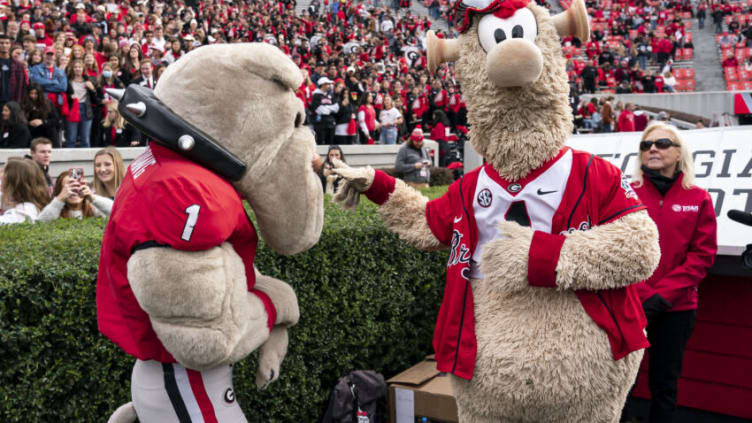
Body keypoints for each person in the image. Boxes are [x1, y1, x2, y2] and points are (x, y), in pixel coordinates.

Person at [627, 122, 717, 423]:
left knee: (664, 385)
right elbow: (616, 249)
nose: (653, 149)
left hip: (676, 308)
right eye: (646, 145)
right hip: (631, 305)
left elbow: (702, 256)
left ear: (678, 153)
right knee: (622, 383)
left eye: (662, 143)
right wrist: (642, 294)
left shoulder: (699, 198)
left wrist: (662, 296)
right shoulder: (627, 194)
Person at [38, 169, 113, 221]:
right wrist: (60, 199)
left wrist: (92, 198)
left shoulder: (93, 208)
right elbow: (40, 224)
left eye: (77, 185)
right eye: (69, 187)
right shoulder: (54, 209)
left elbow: (115, 211)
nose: (74, 191)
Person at [0, 157, 50, 224]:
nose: (0, 172)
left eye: (4, 171)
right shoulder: (11, 197)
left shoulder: (25, 210)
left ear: (14, 181)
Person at [64, 59, 100, 148]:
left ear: (83, 69)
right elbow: (64, 95)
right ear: (72, 69)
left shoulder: (89, 80)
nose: (77, 69)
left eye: (79, 67)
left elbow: (96, 99)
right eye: (75, 67)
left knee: (85, 138)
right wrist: (69, 97)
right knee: (71, 138)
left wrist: (92, 89)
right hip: (73, 109)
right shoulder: (68, 81)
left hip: (86, 109)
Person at [29, 46, 67, 115]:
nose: (49, 57)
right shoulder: (36, 68)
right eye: (47, 54)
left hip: (57, 104)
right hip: (41, 102)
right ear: (43, 55)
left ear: (55, 57)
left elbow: (63, 87)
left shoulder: (60, 71)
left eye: (51, 55)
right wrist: (53, 82)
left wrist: (44, 87)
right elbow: (36, 82)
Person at [0, 34, 28, 107]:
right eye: (1, 43)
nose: (4, 45)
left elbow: (22, 86)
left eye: (7, 43)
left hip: (12, 101)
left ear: (10, 45)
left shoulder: (18, 65)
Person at [310, 76, 338, 145]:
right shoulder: (316, 95)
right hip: (321, 124)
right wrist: (331, 108)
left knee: (330, 143)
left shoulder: (330, 95)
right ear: (322, 85)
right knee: (321, 143)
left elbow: (336, 108)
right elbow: (320, 110)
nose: (329, 86)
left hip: (331, 123)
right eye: (328, 84)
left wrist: (326, 108)